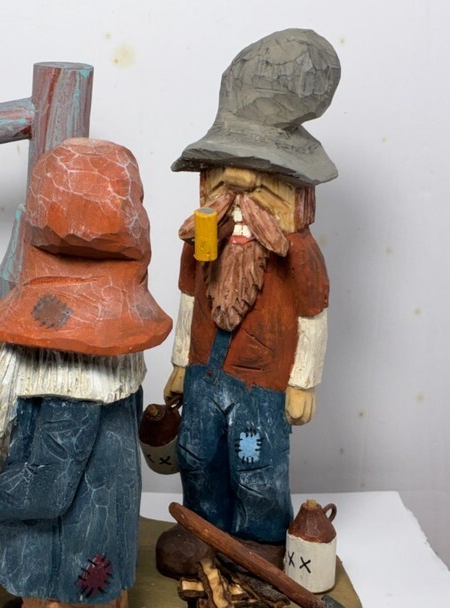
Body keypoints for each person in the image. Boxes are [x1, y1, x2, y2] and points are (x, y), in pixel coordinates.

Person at [0, 138, 170, 608]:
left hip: (73, 539)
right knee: (90, 568)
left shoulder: (72, 377)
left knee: (72, 578)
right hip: (98, 529)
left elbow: (48, 484)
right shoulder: (113, 349)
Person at [157, 29, 340, 575]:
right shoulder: (202, 236)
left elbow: (312, 315)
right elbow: (189, 296)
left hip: (262, 382)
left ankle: (258, 539)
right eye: (220, 173)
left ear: (298, 193)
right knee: (197, 452)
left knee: (253, 461)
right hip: (204, 370)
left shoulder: (298, 252)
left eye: (262, 180)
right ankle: (203, 528)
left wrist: (303, 381)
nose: (236, 187)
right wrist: (180, 364)